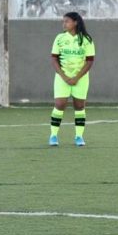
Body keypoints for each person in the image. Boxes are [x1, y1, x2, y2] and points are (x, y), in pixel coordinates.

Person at [49, 12, 95, 147]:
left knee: (79, 106)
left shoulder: (86, 39)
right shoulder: (59, 38)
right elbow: (54, 59)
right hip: (62, 77)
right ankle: (53, 136)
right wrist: (64, 76)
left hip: (80, 78)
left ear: (75, 22)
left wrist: (76, 77)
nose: (64, 24)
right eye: (63, 21)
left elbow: (90, 61)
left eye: (67, 21)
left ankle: (79, 136)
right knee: (60, 104)